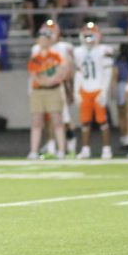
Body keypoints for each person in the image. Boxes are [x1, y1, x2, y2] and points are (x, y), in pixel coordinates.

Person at [71, 22, 115, 159]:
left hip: (98, 88)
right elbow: (78, 73)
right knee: (84, 122)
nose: (89, 39)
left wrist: (104, 91)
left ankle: (107, 149)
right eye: (86, 35)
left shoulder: (104, 50)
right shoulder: (78, 52)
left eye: (91, 35)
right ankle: (85, 149)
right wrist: (76, 90)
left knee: (103, 121)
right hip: (85, 89)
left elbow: (108, 73)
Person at [26, 23, 67, 160]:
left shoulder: (56, 55)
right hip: (38, 90)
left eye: (46, 38)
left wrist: (52, 81)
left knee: (57, 120)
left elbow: (62, 70)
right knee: (37, 121)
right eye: (41, 38)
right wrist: (44, 81)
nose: (43, 41)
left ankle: (61, 149)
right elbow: (33, 74)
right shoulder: (35, 56)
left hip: (53, 90)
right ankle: (34, 150)